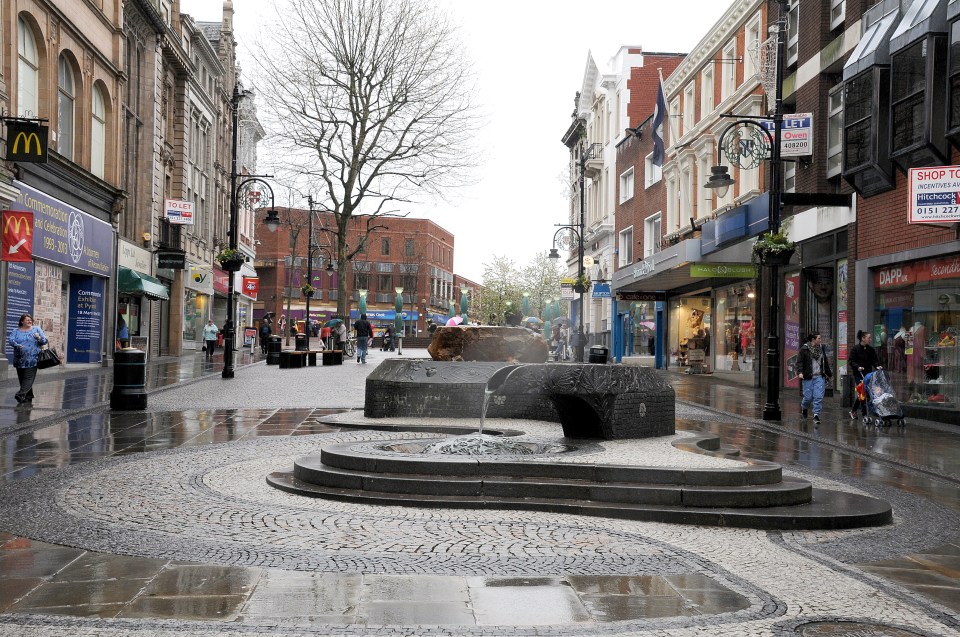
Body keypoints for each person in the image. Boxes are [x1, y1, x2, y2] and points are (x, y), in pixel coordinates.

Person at [7, 313, 48, 404]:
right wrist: (17, 345)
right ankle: (28, 396)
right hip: (19, 359)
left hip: (33, 358)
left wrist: (39, 337)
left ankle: (20, 394)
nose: (30, 321)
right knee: (22, 378)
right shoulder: (16, 331)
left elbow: (44, 341)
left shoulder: (36, 329)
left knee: (28, 378)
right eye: (27, 320)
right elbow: (11, 340)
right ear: (22, 321)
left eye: (31, 320)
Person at [798, 332, 833, 423]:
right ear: (813, 340)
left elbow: (825, 363)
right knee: (808, 398)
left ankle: (816, 415)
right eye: (819, 338)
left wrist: (829, 375)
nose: (821, 340)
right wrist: (800, 372)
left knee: (818, 396)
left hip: (819, 377)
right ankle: (804, 407)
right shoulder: (804, 349)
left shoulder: (821, 349)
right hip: (808, 377)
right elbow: (800, 362)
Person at [848, 329, 881, 420]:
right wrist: (857, 366)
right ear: (863, 338)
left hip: (868, 374)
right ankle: (864, 414)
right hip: (859, 374)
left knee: (866, 393)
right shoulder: (855, 349)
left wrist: (877, 366)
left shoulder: (871, 350)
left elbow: (874, 360)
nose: (870, 340)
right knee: (863, 392)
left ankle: (853, 410)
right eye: (869, 338)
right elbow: (851, 361)